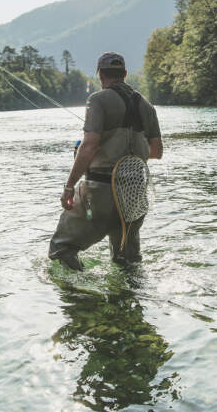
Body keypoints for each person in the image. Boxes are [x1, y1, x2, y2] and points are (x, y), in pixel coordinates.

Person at [48, 51, 163, 270]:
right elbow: (156, 151)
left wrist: (69, 187)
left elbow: (89, 145)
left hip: (101, 191)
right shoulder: (147, 106)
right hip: (135, 192)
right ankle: (129, 300)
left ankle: (84, 299)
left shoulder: (97, 99)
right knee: (127, 262)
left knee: (61, 250)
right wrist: (127, 152)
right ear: (125, 74)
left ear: (100, 75)